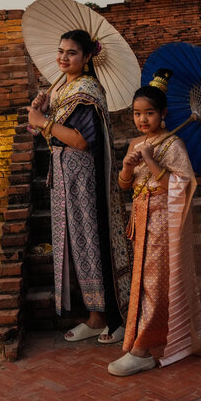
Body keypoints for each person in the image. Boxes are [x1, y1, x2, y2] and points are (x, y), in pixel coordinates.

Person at [108, 68, 201, 376]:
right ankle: (142, 341)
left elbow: (181, 185)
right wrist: (129, 166)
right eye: (137, 114)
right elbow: (125, 185)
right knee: (142, 285)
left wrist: (152, 159)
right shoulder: (135, 144)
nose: (143, 120)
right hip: (141, 222)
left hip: (164, 223)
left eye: (149, 113)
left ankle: (144, 349)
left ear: (163, 113)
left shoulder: (172, 145)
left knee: (156, 285)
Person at [27, 29, 131, 342]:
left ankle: (111, 316)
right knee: (76, 245)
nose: (63, 57)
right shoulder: (61, 90)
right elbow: (50, 133)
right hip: (63, 177)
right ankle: (94, 315)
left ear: (87, 58)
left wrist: (44, 122)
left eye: (71, 52)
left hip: (84, 179)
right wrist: (41, 112)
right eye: (60, 51)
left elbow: (82, 141)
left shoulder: (87, 89)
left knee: (92, 242)